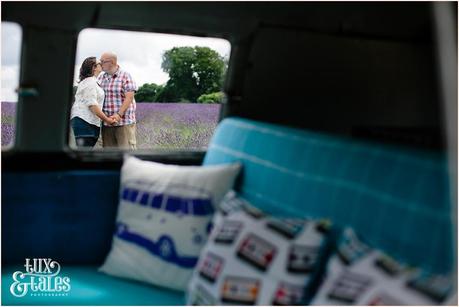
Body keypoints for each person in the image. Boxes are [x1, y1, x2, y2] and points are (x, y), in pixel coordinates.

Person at [71, 57, 117, 147]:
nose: (102, 64)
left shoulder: (92, 82)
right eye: (100, 63)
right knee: (83, 154)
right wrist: (107, 120)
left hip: (88, 123)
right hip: (84, 123)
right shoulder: (90, 82)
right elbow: (92, 105)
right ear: (94, 67)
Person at [98, 52, 138, 149]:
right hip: (107, 123)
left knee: (127, 153)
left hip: (124, 122)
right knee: (109, 156)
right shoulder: (101, 77)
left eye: (102, 62)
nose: (100, 64)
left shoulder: (125, 75)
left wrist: (119, 114)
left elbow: (129, 97)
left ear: (111, 62)